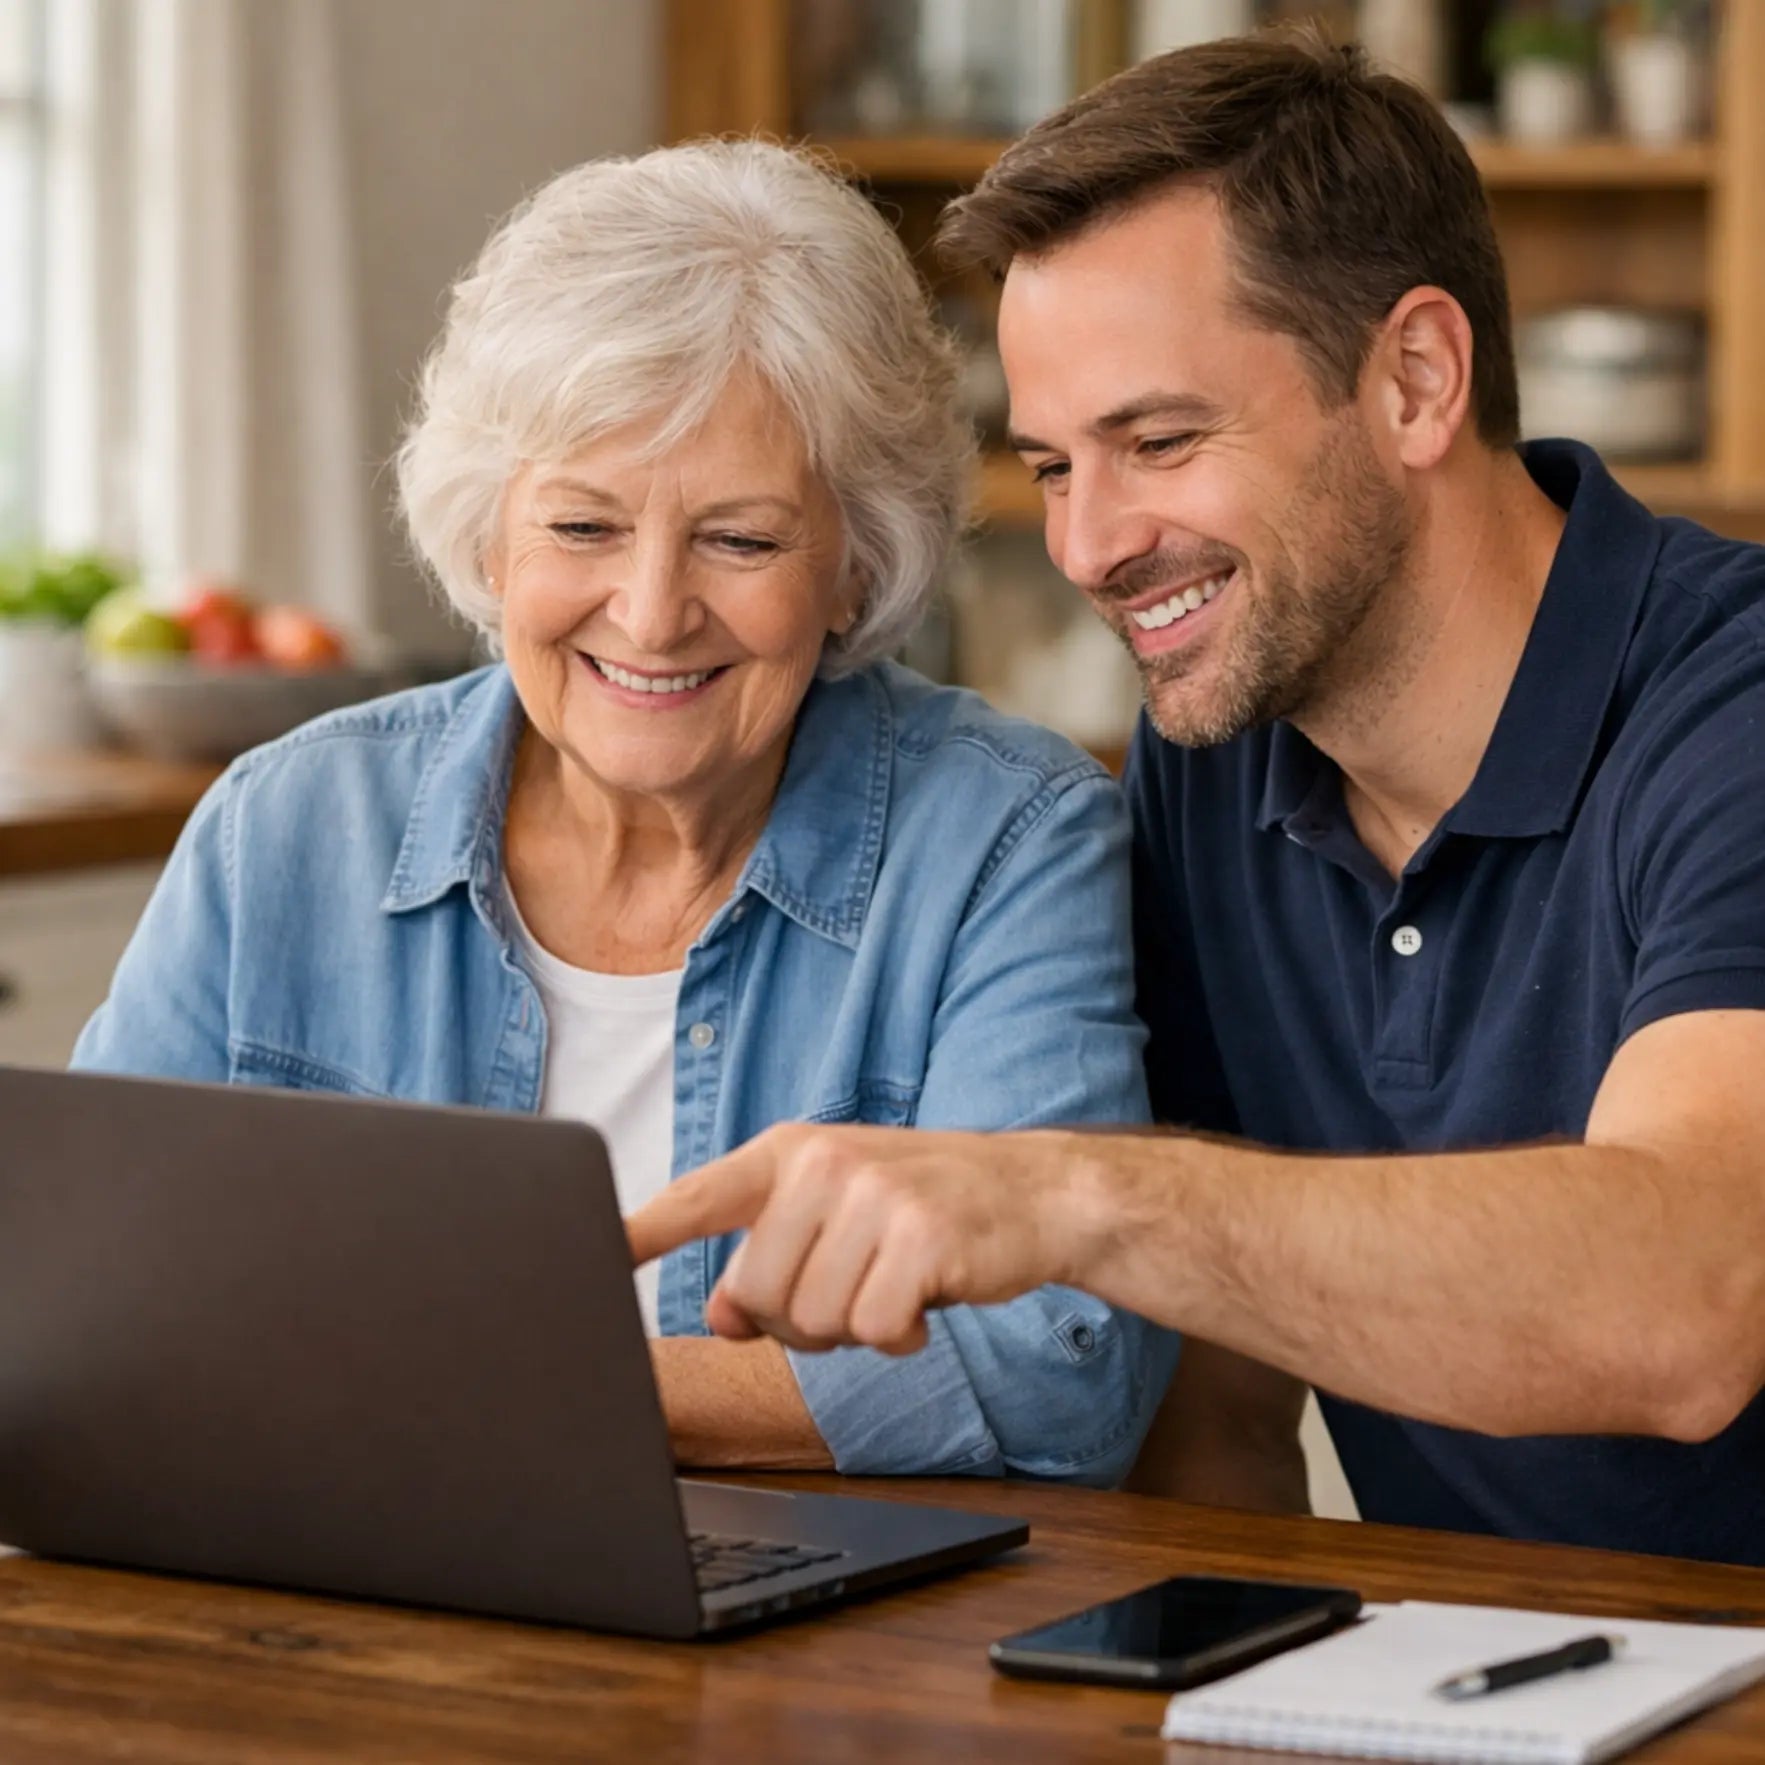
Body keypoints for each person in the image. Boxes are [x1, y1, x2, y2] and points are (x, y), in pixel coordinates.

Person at [631, 36, 1765, 1565]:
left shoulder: (1730, 709)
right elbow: (1222, 1410)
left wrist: (1070, 1198)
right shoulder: (1218, 748)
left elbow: (1683, 1301)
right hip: (1513, 1687)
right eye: (1049, 465)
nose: (1089, 545)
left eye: (1158, 442)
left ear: (1415, 380)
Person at [72, 140, 1175, 1484]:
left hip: (809, 1657)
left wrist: (490, 1388)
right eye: (583, 529)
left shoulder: (1007, 841)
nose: (651, 614)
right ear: (491, 540)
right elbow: (93, 1314)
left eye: (741, 538)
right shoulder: (286, 827)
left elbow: (1062, 1367)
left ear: (856, 561)